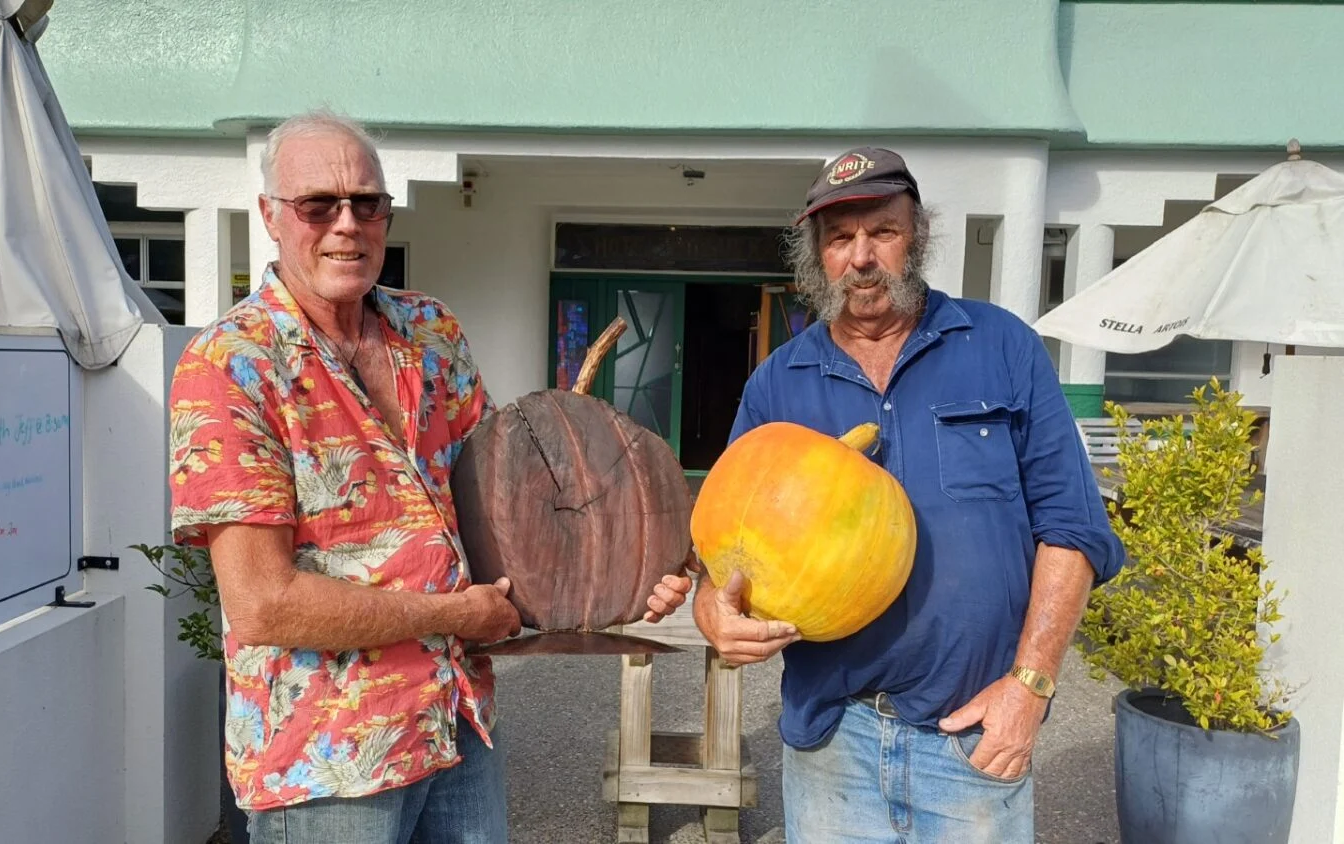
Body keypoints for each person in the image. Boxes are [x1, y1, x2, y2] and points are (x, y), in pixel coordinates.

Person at [165, 109, 689, 844]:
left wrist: (633, 572)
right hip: (328, 758)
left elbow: (509, 507)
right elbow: (262, 604)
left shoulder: (430, 331)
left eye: (367, 203)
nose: (347, 224)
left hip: (455, 720)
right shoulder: (230, 366)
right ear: (272, 218)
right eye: (319, 204)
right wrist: (452, 616)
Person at [663, 147, 1126, 842]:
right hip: (831, 740)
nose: (861, 256)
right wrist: (711, 613)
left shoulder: (1000, 345)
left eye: (881, 231)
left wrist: (1027, 688)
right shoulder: (778, 383)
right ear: (815, 255)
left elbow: (1070, 527)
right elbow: (718, 548)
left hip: (973, 734)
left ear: (918, 237)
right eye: (839, 238)